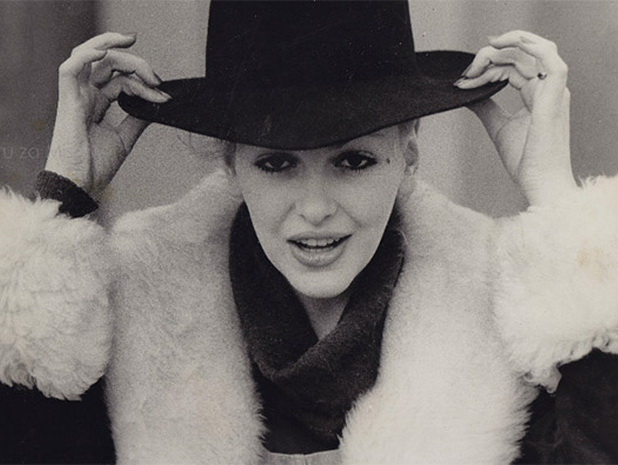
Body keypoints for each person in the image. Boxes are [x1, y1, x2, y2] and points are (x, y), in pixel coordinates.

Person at [1, 1, 617, 463]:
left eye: (355, 161)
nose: (315, 209)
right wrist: (64, 195)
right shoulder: (130, 309)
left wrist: (554, 196)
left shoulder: (500, 315)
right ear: (231, 164)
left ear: (408, 155)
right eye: (276, 164)